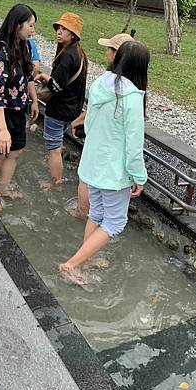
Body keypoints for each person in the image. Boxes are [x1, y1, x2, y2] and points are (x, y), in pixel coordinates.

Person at [59, 41, 150, 285]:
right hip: (113, 172)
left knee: (97, 214)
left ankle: (86, 259)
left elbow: (88, 125)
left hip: (92, 164)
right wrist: (139, 177)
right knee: (115, 222)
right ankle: (72, 264)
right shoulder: (131, 99)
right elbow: (133, 147)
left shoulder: (101, 84)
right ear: (141, 68)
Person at [0, 4, 39, 211]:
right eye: (30, 25)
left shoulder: (24, 46)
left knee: (15, 152)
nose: (33, 30)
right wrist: (2, 130)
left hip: (17, 109)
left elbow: (29, 75)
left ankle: (2, 188)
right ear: (17, 25)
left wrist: (34, 100)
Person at [69, 32, 136, 219]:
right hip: (116, 154)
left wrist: (81, 121)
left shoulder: (103, 82)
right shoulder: (133, 87)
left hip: (99, 145)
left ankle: (82, 214)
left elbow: (95, 108)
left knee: (86, 179)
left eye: (109, 49)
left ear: (117, 55)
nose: (106, 53)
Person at [35, 12, 87, 189]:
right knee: (56, 143)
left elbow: (57, 87)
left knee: (53, 148)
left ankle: (56, 183)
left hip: (59, 109)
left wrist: (44, 77)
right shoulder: (80, 53)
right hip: (73, 109)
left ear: (73, 34)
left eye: (65, 29)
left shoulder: (66, 56)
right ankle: (57, 171)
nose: (59, 31)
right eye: (59, 27)